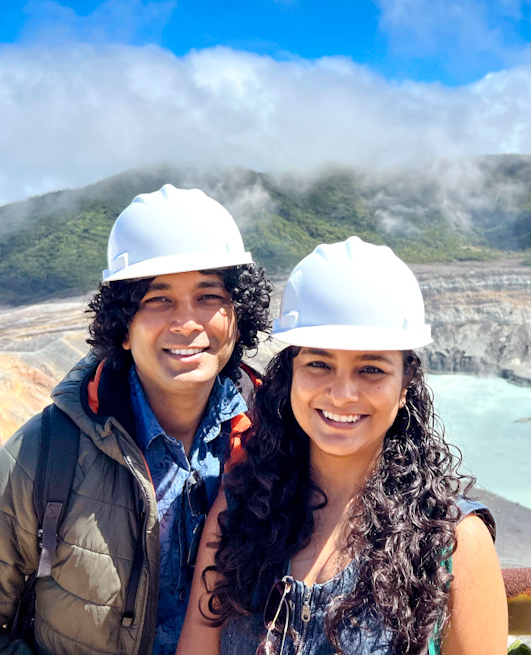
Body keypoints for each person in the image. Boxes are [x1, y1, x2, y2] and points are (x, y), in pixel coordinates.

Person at [0, 184, 273, 655]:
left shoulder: (283, 442)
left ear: (238, 316)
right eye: (158, 300)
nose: (187, 322)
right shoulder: (41, 459)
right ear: (122, 326)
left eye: (208, 296)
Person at [177, 237, 508, 655]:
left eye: (371, 369)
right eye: (319, 364)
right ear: (290, 374)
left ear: (405, 385)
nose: (343, 394)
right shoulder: (238, 511)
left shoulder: (454, 542)